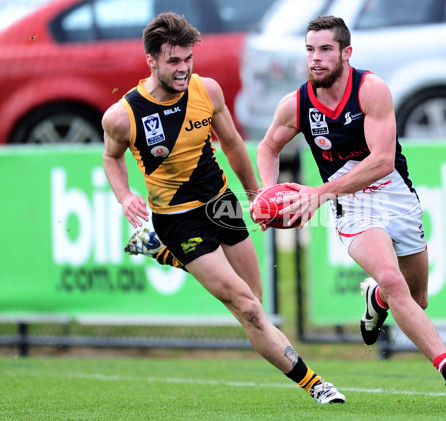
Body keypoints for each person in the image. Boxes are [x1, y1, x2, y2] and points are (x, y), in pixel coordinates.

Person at [102, 12, 344, 405]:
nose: (183, 69)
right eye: (173, 62)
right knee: (247, 309)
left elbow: (232, 144)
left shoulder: (208, 91)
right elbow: (110, 158)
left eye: (187, 60)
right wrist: (125, 195)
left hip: (223, 205)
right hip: (178, 219)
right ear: (151, 61)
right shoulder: (122, 116)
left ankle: (161, 251)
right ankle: (316, 384)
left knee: (257, 303)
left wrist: (256, 195)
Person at [253, 15, 446, 405]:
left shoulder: (371, 90)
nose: (315, 59)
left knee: (416, 298)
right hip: (352, 205)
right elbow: (268, 147)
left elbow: (382, 161)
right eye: (309, 50)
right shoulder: (297, 104)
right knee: (392, 279)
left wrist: (319, 192)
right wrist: (268, 195)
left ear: (346, 52)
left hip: (393, 195)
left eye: (325, 50)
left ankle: (376, 301)